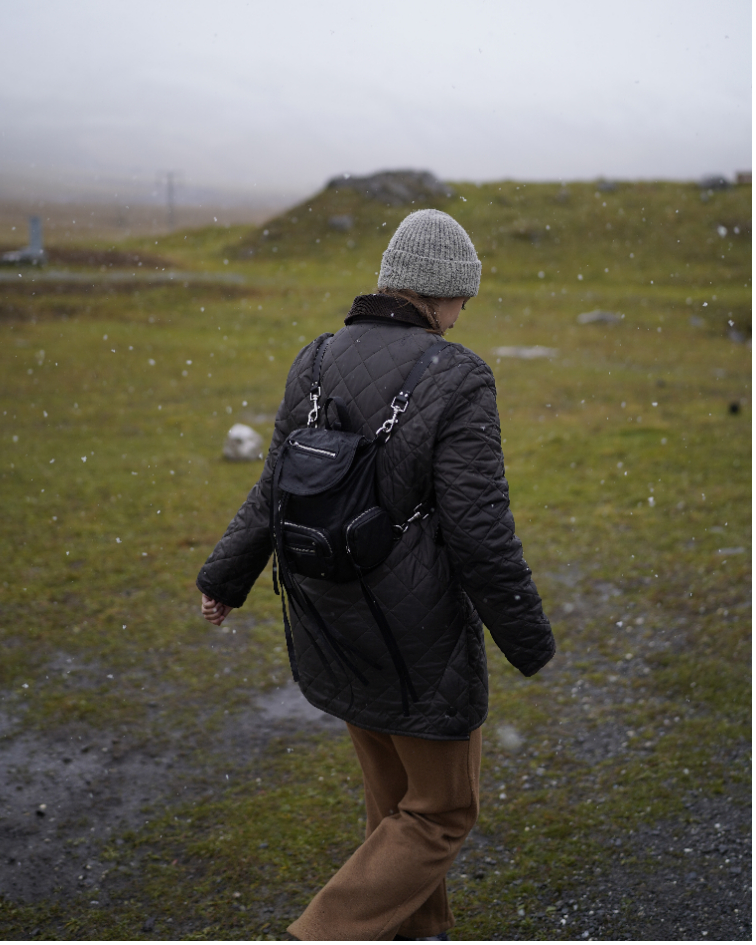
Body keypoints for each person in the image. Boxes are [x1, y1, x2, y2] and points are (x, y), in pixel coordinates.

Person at [194, 208, 556, 941]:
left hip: (330, 613)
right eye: (463, 297)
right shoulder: (458, 376)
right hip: (414, 633)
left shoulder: (316, 359)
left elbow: (273, 488)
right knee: (442, 812)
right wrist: (530, 640)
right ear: (435, 291)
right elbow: (479, 532)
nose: (462, 315)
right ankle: (317, 934)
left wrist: (223, 578)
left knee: (396, 811)